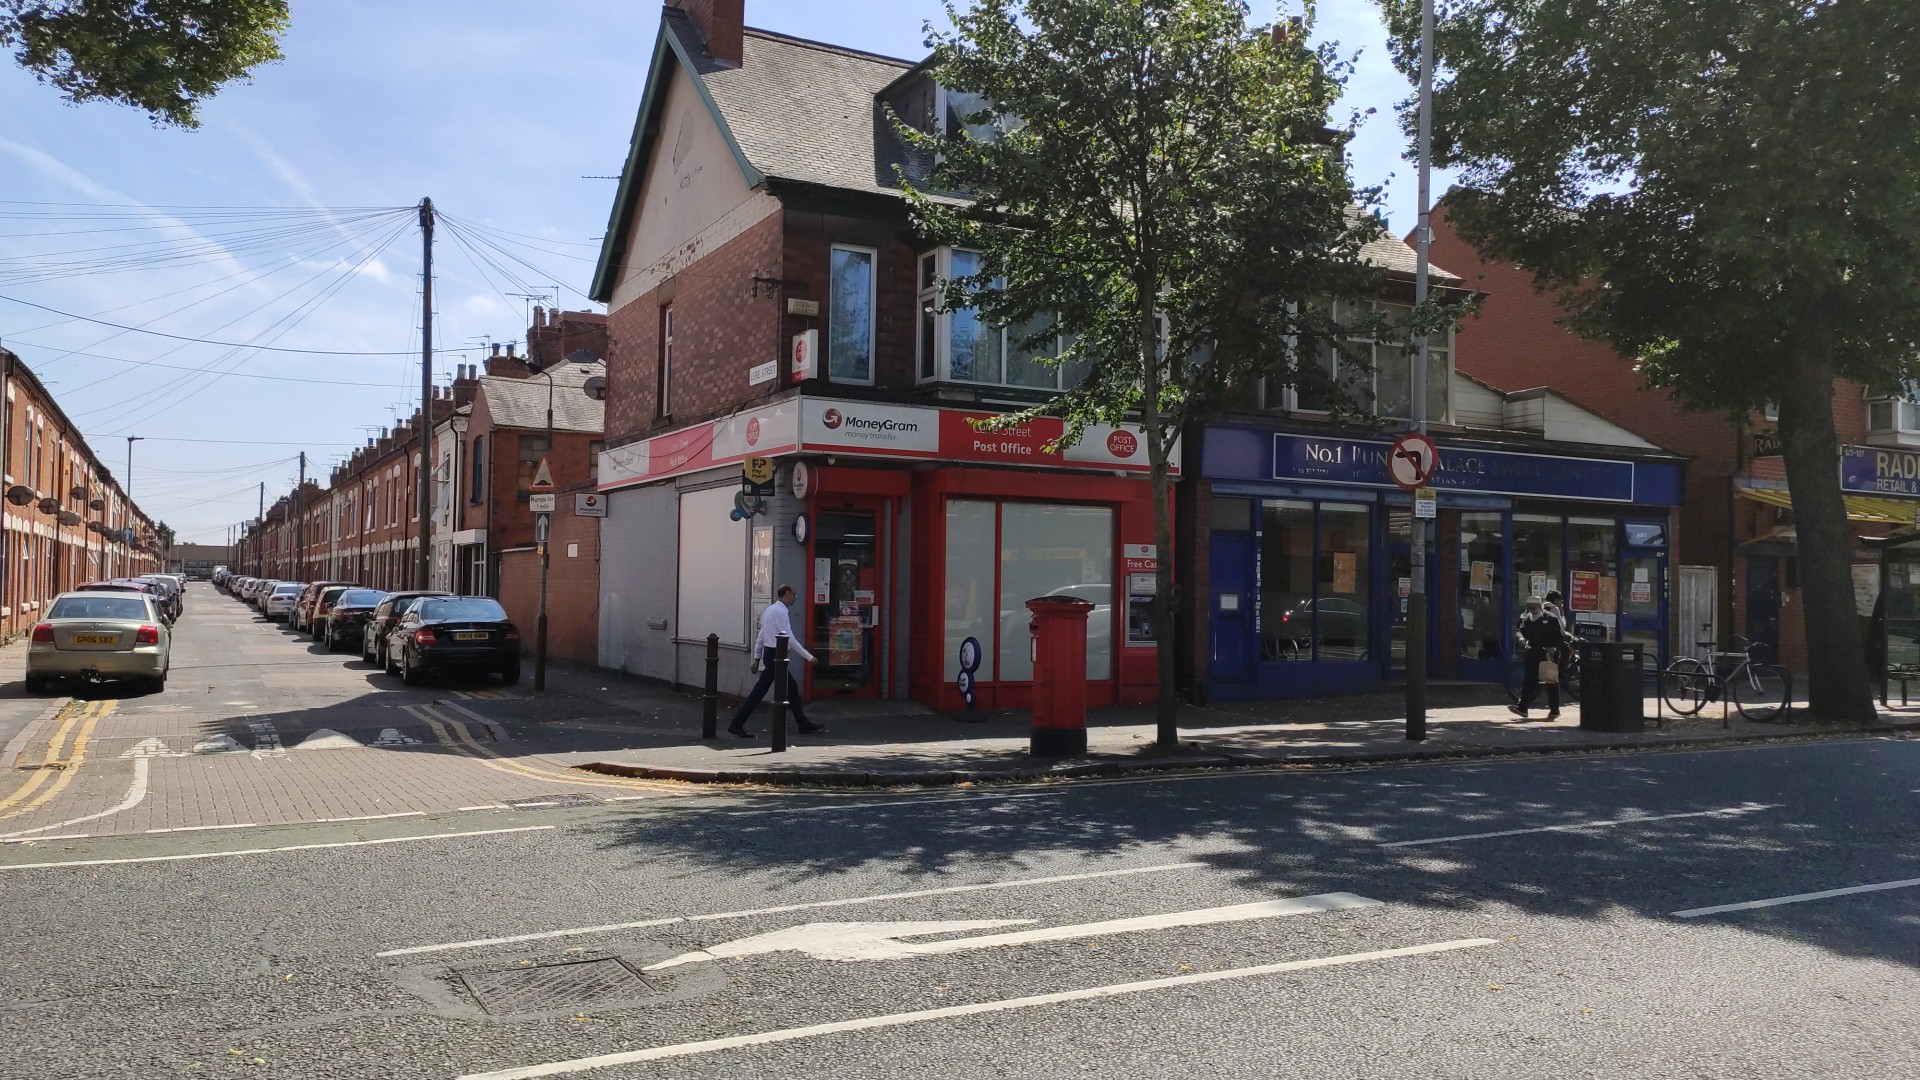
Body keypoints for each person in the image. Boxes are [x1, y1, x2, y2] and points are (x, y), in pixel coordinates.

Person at [728, 585, 826, 739]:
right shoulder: (780, 612)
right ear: (786, 594)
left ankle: (737, 723)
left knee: (764, 690)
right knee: (788, 687)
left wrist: (756, 657)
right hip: (776, 656)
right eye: (794, 595)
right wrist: (808, 657)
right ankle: (802, 723)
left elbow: (761, 635)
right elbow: (790, 638)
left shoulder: (770, 610)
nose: (795, 598)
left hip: (770, 654)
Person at [1509, 594, 1568, 720]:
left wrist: (1554, 648)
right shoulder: (1527, 619)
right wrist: (1521, 638)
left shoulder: (1551, 618)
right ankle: (1522, 708)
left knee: (1551, 682)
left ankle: (1554, 710)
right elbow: (1520, 630)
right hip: (1532, 653)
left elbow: (1560, 637)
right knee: (1529, 681)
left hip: (1547, 654)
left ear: (1540, 606)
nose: (1532, 610)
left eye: (1534, 608)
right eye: (1529, 608)